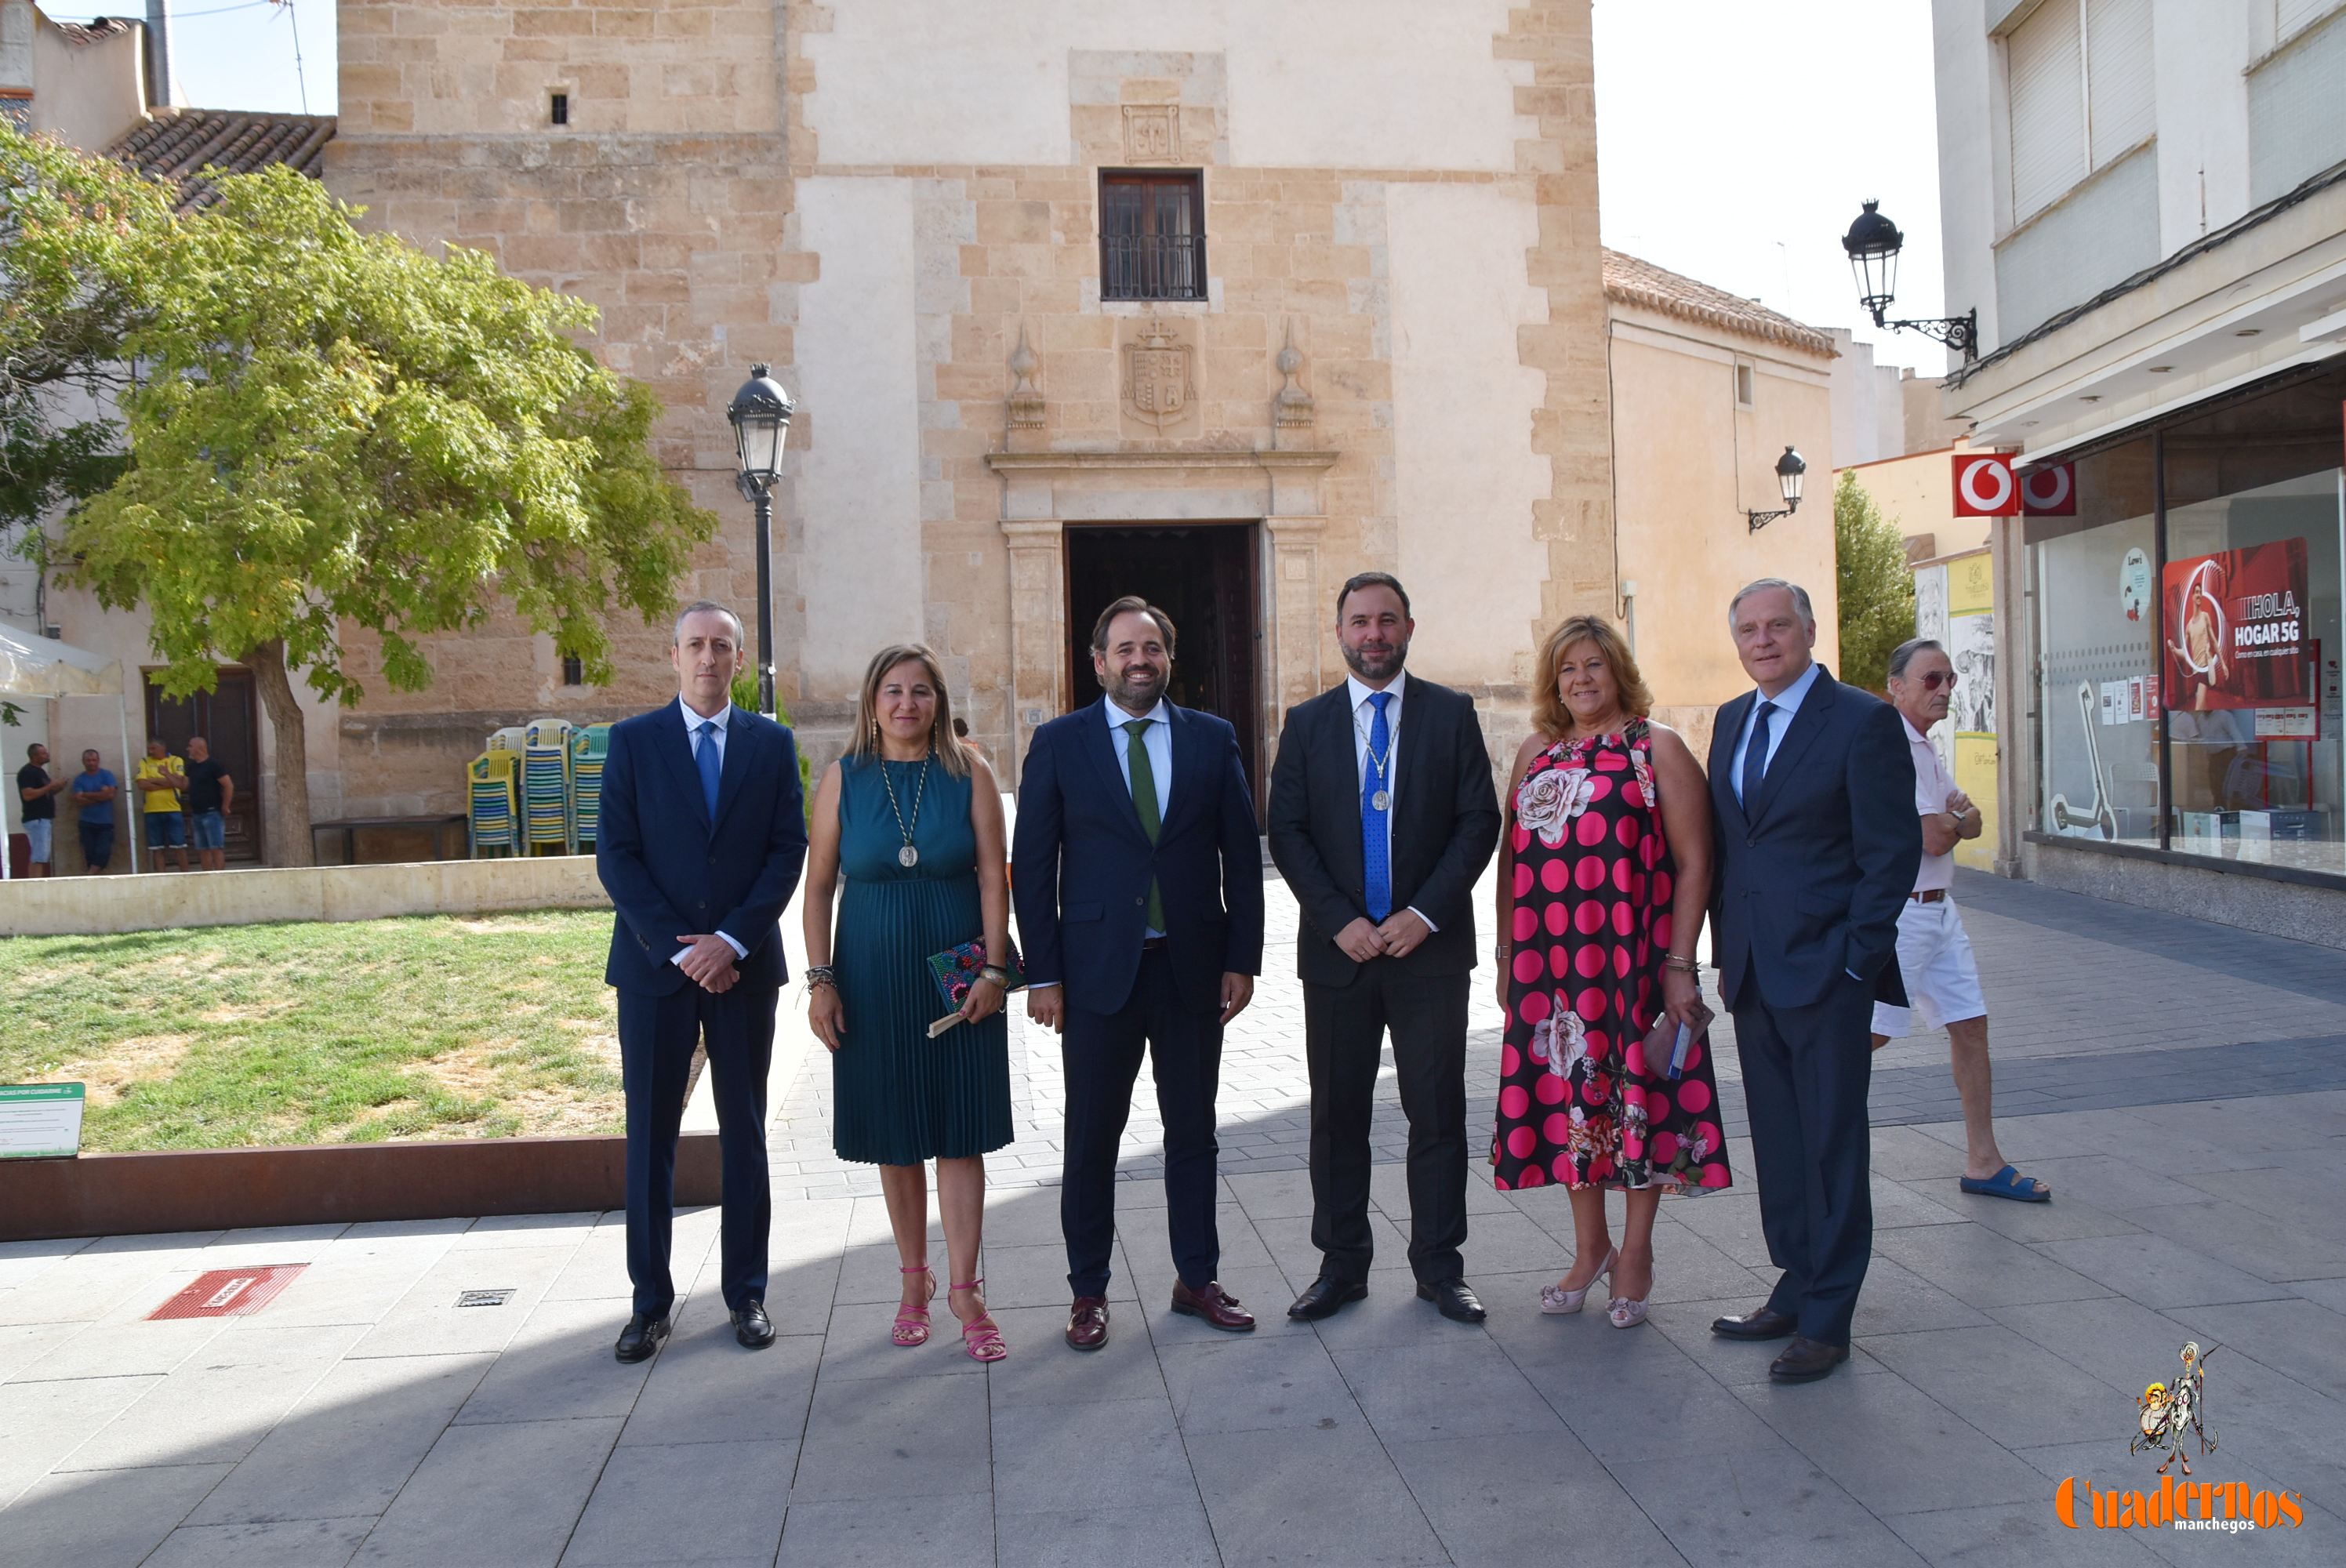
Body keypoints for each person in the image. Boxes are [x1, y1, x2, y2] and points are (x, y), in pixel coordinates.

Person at [1012, 594, 1266, 1352]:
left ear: (1168, 658)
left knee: (1193, 1133)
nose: (1139, 661)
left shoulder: (1211, 740)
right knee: (1092, 1137)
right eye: (1124, 649)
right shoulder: (1059, 743)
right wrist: (1044, 974)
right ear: (1099, 662)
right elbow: (1034, 868)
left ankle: (1197, 1277)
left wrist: (1242, 959)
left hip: (1190, 970)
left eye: (1151, 648)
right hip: (1095, 978)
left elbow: (1241, 859)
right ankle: (1088, 1291)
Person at [1268, 572, 1502, 1325]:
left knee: (1437, 1112)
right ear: (1340, 632)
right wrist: (1339, 919)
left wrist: (1424, 913)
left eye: (1387, 621)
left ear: (1409, 627)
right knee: (1338, 1116)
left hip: (1426, 954)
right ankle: (1342, 1267)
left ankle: (1439, 1267)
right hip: (1339, 955)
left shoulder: (1450, 714)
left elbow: (1478, 822)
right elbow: (1289, 831)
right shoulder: (1306, 725)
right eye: (1360, 622)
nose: (1374, 634)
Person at [1705, 579, 1919, 1383]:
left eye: (1778, 626)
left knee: (1830, 1145)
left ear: (1808, 630)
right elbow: (1736, 847)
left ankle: (1828, 1319)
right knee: (1784, 1143)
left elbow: (1888, 853)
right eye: (1749, 629)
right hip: (1755, 971)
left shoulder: (1861, 721)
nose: (1763, 640)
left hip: (1829, 971)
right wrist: (1723, 952)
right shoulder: (1732, 718)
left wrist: (1858, 961)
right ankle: (1795, 1282)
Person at [1493, 615, 1726, 1330]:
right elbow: (1510, 858)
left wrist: (1680, 965)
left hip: (1630, 963)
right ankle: (1588, 1247)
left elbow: (1696, 864)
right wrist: (1507, 955)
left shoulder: (1658, 749)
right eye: (1567, 669)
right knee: (1573, 1106)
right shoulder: (1536, 750)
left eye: (1593, 665)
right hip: (1552, 966)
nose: (1581, 680)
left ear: (1618, 671)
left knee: (1637, 1102)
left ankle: (1636, 1255)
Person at [595, 601, 808, 1363]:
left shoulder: (771, 743)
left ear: (738, 658)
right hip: (656, 971)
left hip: (743, 970)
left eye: (722, 645)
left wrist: (731, 940)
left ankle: (746, 1292)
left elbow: (788, 850)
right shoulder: (632, 742)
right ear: (673, 654)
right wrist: (678, 947)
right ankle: (648, 1303)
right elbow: (615, 855)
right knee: (650, 1133)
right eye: (695, 644)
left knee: (744, 1131)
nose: (709, 657)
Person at [804, 644, 1016, 1361]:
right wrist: (820, 981)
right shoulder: (844, 778)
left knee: (960, 1131)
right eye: (893, 691)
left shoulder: (970, 771)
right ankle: (912, 1282)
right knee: (897, 1136)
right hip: (870, 975)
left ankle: (965, 1290)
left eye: (920, 691)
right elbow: (817, 889)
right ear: (872, 703)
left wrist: (994, 970)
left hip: (956, 980)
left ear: (939, 701)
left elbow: (995, 878)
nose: (906, 704)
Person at [1872, 637, 2048, 1203]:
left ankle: (1983, 1160)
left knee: (1970, 1025)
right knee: (1865, 1037)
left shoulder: (1925, 746)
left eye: (1950, 679)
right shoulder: (1894, 746)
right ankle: (1814, 1143)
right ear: (1896, 686)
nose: (1945, 689)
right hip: (1904, 913)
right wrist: (1955, 820)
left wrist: (1956, 819)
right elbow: (1934, 834)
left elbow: (1969, 821)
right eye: (1931, 680)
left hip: (1939, 909)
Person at [133, 739, 191, 873]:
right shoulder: (145, 762)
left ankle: (186, 874)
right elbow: (142, 784)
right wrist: (166, 782)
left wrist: (154, 780)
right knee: (156, 848)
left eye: (153, 748)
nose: (150, 751)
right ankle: (161, 875)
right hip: (152, 810)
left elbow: (179, 783)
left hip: (172, 808)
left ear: (162, 748)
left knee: (179, 846)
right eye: (149, 749)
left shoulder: (176, 760)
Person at [181, 737, 236, 872]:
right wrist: (167, 776)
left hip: (212, 813)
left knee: (215, 847)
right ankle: (206, 876)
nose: (188, 749)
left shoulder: (214, 765)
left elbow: (228, 785)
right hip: (197, 813)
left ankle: (219, 876)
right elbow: (184, 785)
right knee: (202, 849)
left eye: (190, 746)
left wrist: (225, 806)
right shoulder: (192, 767)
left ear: (200, 748)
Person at [16, 743, 67, 877]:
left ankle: (36, 883)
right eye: (43, 753)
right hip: (36, 819)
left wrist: (58, 787)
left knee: (42, 854)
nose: (47, 755)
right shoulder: (27, 772)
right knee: (39, 855)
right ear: (34, 756)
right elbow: (28, 795)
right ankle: (34, 884)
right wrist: (51, 785)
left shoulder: (40, 772)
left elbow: (43, 794)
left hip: (44, 818)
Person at [71, 750, 119, 875]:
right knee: (90, 854)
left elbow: (111, 795)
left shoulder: (107, 775)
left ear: (98, 761)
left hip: (105, 823)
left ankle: (89, 876)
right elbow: (79, 801)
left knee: (103, 853)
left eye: (94, 760)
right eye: (88, 760)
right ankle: (93, 878)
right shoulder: (79, 780)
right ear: (83, 762)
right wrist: (102, 795)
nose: (91, 763)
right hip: (87, 822)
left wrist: (87, 795)